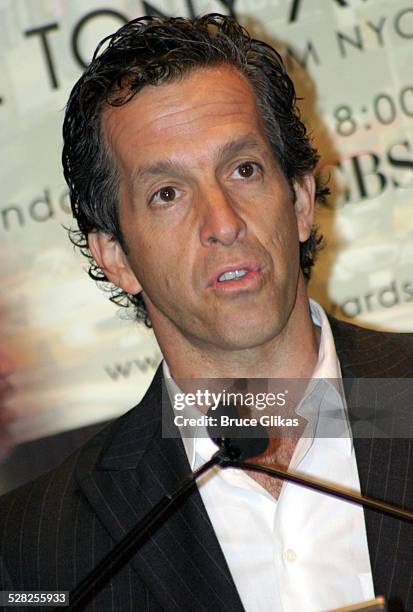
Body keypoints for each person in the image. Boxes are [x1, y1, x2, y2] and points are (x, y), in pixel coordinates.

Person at [0, 13, 412, 612]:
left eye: (243, 170)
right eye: (167, 193)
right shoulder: (33, 550)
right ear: (116, 257)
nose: (222, 223)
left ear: (299, 199)